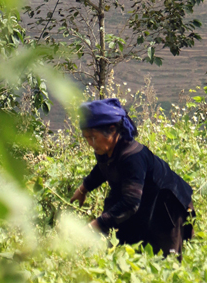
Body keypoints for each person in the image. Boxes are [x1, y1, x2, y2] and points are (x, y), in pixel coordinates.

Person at [70, 97, 194, 258]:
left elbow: (130, 203)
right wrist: (83, 188)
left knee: (163, 261)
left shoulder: (132, 157)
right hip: (142, 199)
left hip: (167, 205)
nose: (91, 143)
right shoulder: (106, 149)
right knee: (121, 250)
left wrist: (96, 225)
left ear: (113, 129)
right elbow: (102, 169)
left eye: (93, 137)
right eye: (86, 137)